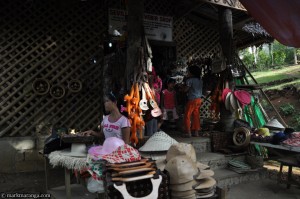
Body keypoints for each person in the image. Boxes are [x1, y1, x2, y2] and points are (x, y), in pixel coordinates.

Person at [180, 65, 203, 137]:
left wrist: (181, 88)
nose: (187, 73)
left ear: (192, 73)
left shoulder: (190, 80)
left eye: (188, 71)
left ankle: (188, 133)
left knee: (187, 116)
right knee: (196, 116)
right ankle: (196, 132)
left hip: (192, 100)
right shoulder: (200, 80)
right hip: (199, 100)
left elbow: (185, 90)